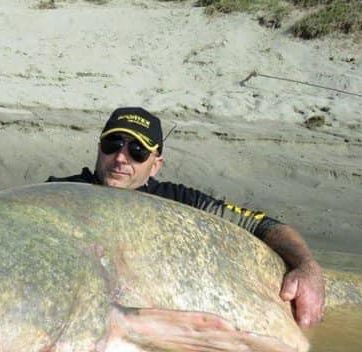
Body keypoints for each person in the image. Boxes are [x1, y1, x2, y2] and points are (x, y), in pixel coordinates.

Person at [46, 107, 325, 328]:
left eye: (137, 151)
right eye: (113, 143)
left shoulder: (179, 201)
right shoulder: (57, 193)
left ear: (155, 166)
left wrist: (307, 266)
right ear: (99, 148)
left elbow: (262, 224)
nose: (121, 158)